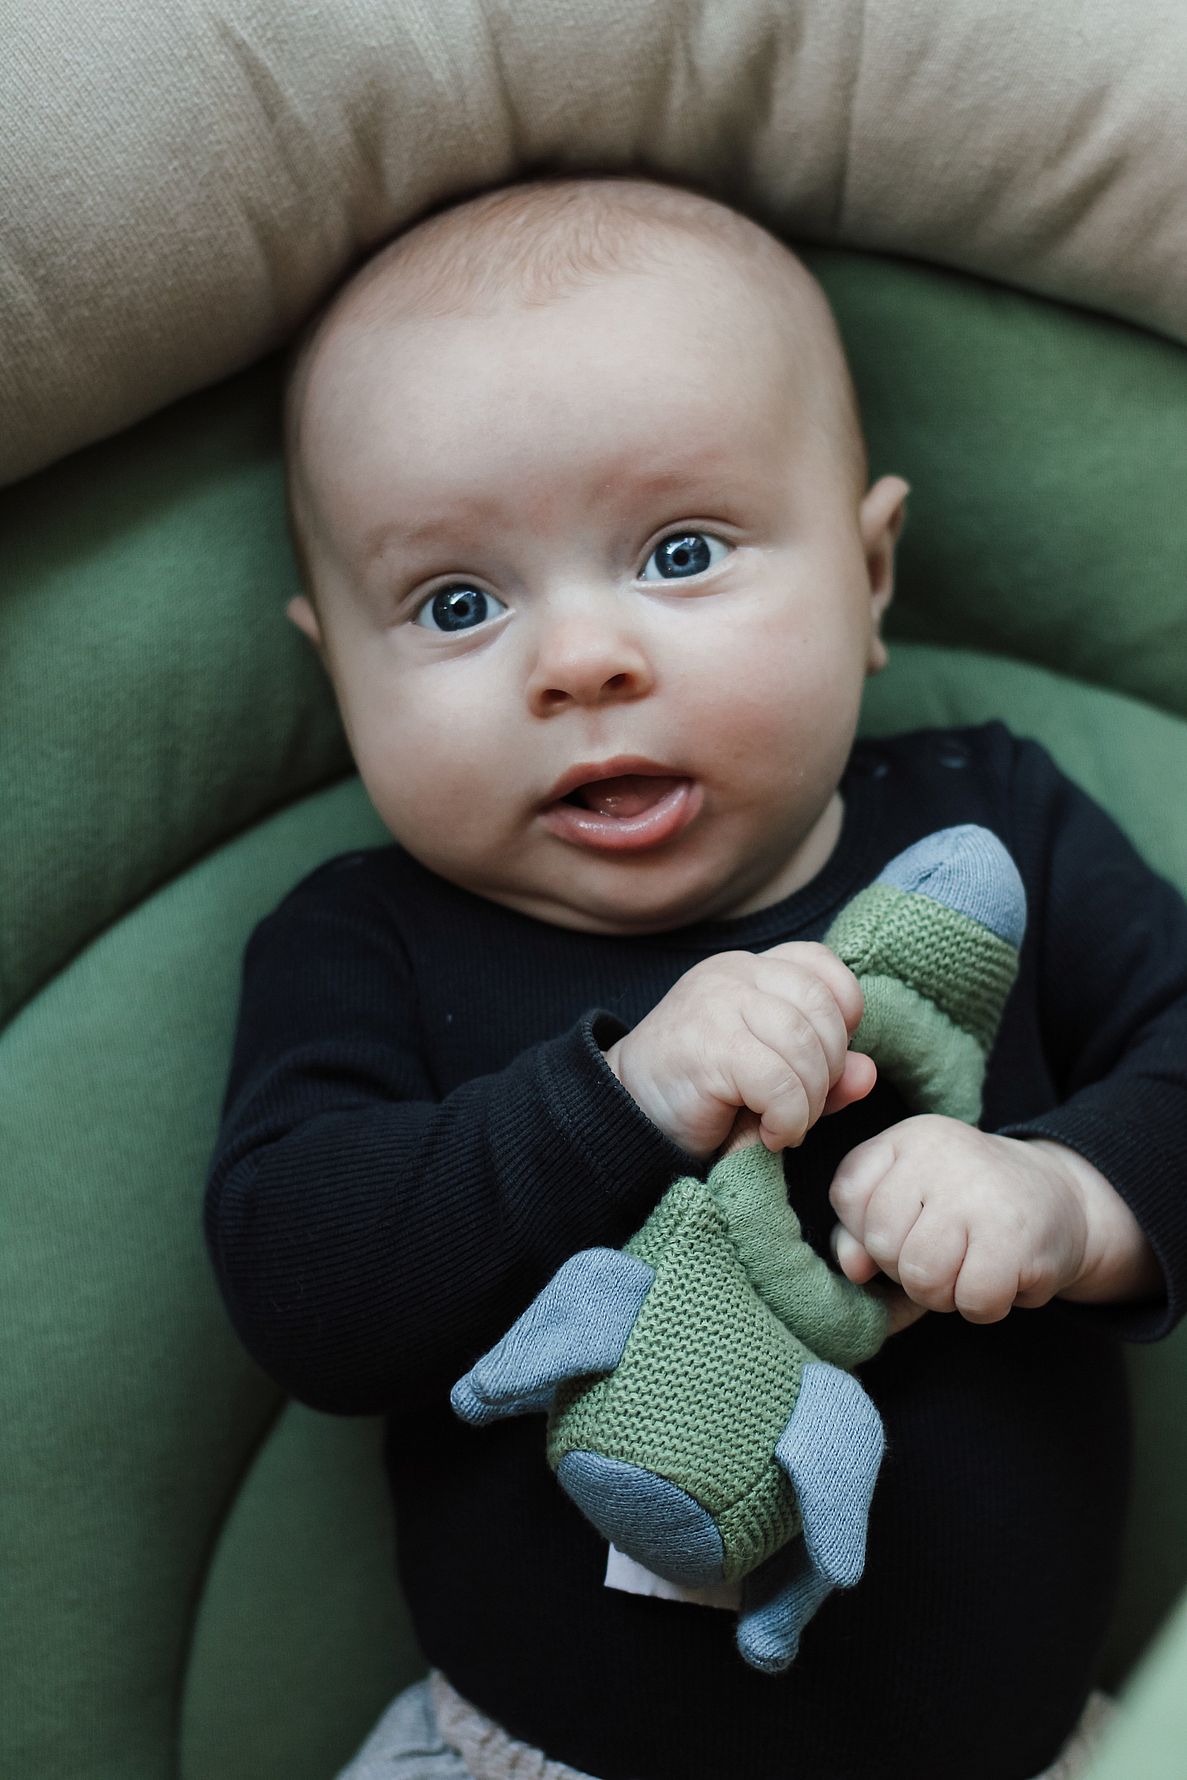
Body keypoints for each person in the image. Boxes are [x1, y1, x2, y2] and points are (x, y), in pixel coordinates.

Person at [203, 173, 1187, 1780]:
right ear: (340, 670)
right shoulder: (365, 939)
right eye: (457, 603)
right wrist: (619, 1100)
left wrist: (1073, 1204)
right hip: (520, 1753)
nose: (581, 661)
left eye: (679, 551)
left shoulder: (994, 826)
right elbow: (300, 1283)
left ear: (871, 574)